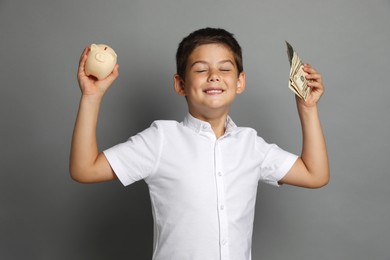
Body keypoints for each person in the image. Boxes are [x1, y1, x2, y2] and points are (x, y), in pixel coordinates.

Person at [70, 27, 329, 260]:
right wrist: (91, 97)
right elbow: (85, 169)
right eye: (201, 69)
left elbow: (314, 174)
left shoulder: (251, 145)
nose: (214, 76)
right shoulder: (161, 139)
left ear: (240, 82)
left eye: (225, 69)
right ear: (180, 84)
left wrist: (307, 109)